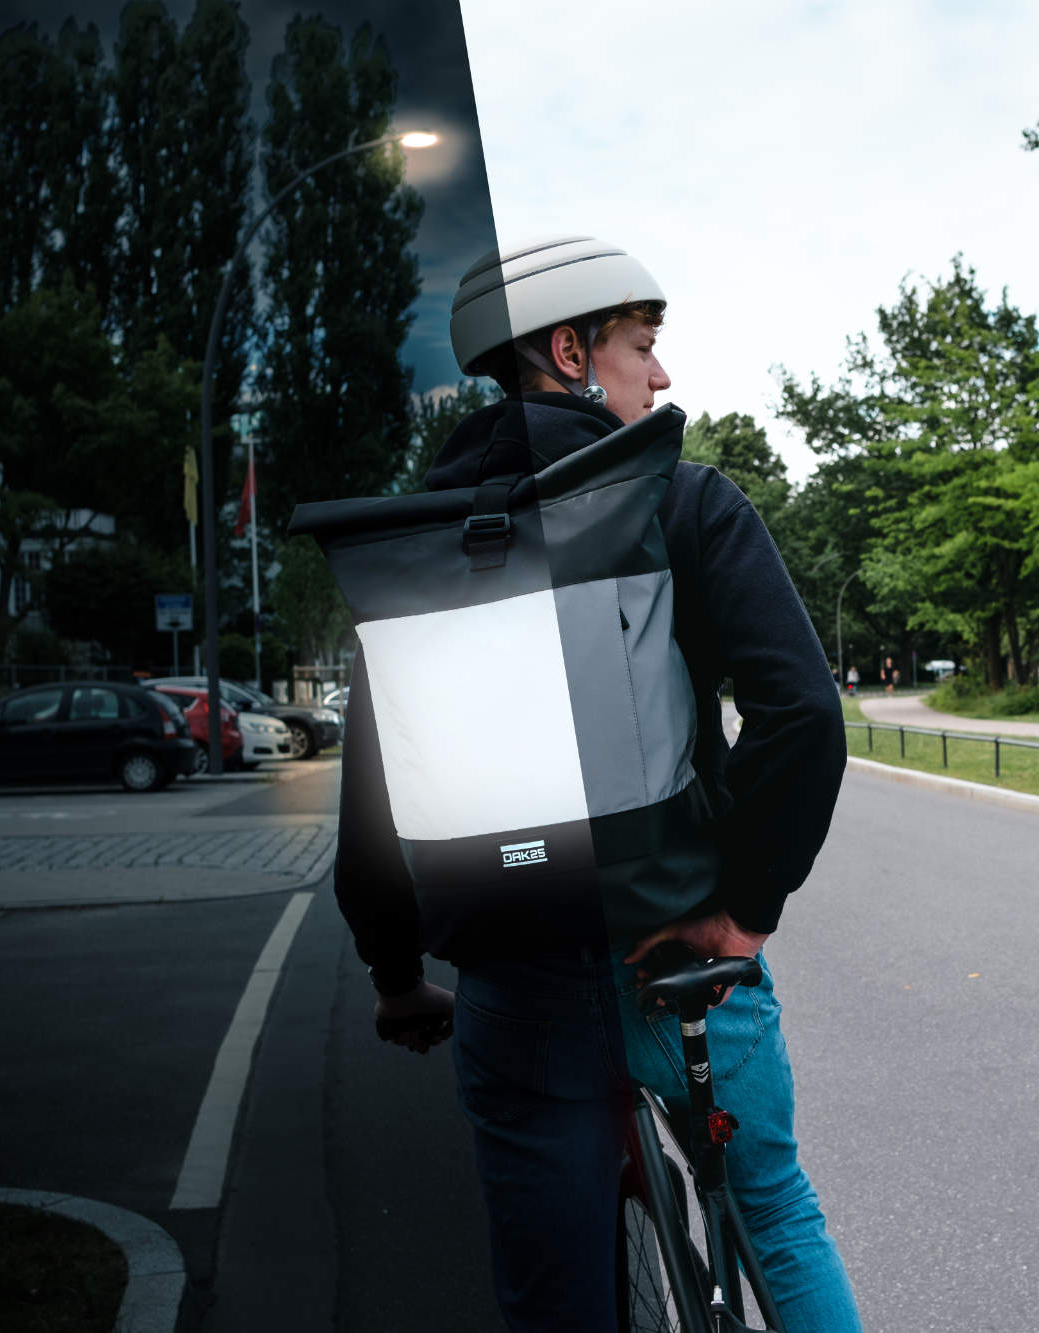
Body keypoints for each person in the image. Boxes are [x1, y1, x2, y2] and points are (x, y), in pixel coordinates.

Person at [336, 235, 861, 1331]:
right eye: (641, 345)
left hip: (517, 978)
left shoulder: (412, 553)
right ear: (569, 351)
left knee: (552, 1294)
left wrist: (395, 976)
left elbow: (378, 814)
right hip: (680, 959)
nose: (659, 376)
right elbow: (802, 715)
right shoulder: (685, 500)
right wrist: (742, 909)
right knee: (774, 1212)